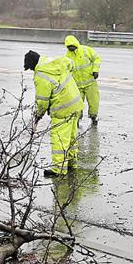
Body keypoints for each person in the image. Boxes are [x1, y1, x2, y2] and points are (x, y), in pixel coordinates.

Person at [25, 49, 82, 177]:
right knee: (71, 136)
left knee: (59, 138)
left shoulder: (41, 75)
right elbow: (71, 64)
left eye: (30, 68)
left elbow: (42, 101)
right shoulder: (55, 62)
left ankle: (59, 169)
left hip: (63, 108)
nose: (32, 71)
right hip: (76, 102)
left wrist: (38, 115)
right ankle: (72, 163)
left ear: (33, 64)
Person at [63, 35, 102, 124]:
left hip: (90, 83)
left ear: (76, 44)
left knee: (94, 101)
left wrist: (95, 70)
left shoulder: (85, 50)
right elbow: (66, 69)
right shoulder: (67, 56)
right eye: (69, 47)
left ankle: (93, 117)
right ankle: (77, 118)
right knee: (77, 103)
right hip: (77, 85)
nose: (71, 48)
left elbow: (97, 58)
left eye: (72, 46)